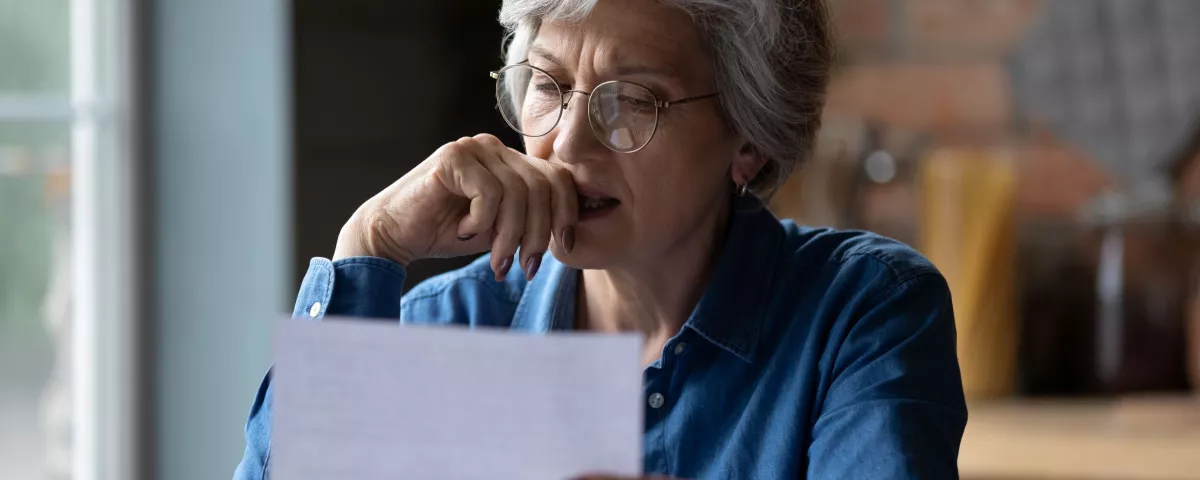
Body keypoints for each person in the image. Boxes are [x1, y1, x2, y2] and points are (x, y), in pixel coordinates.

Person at [234, 0, 967, 478]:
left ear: (748, 137)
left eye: (632, 102)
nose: (568, 143)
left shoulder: (861, 314)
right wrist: (371, 244)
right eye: (547, 87)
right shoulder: (449, 325)